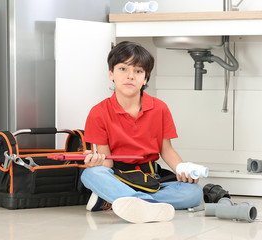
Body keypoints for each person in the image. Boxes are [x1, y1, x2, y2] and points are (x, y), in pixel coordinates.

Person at [80, 41, 203, 224]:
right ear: (111, 73)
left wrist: (182, 170)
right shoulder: (98, 112)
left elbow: (166, 150)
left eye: (138, 71)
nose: (130, 76)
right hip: (118, 176)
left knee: (194, 192)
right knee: (90, 174)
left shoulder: (160, 108)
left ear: (145, 78)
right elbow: (106, 162)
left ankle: (122, 201)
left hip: (151, 178)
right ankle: (140, 202)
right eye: (123, 69)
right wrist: (96, 162)